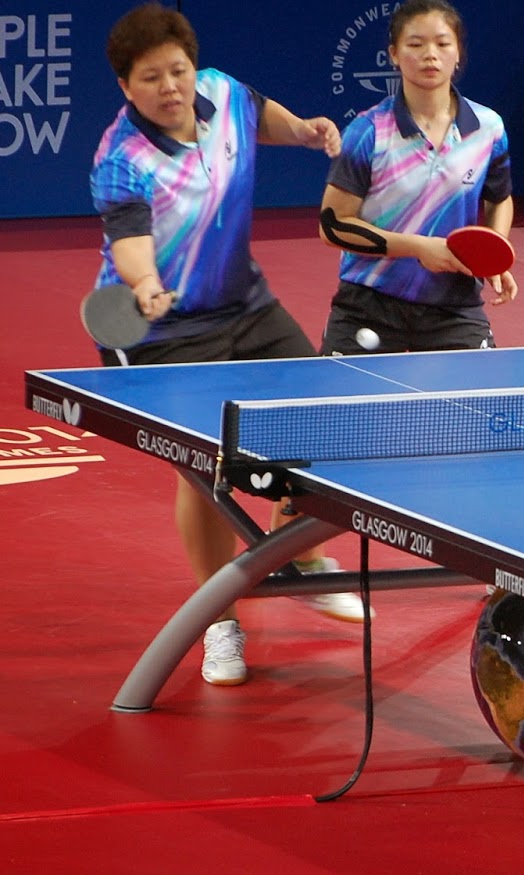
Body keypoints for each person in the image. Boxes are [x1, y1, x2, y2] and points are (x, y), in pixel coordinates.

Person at [90, 2, 366, 688]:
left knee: (323, 415)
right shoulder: (121, 157)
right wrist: (146, 283)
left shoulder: (221, 90)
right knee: (203, 466)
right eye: (151, 77)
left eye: (177, 70)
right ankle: (217, 619)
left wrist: (304, 130)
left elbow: (259, 113)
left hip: (245, 304)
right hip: (163, 329)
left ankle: (297, 552)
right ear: (126, 86)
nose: (170, 87)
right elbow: (129, 243)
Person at [316, 0, 516, 355]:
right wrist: (419, 248)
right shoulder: (368, 132)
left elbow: (499, 199)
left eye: (442, 43)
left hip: (453, 302)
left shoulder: (488, 129)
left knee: (481, 392)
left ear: (458, 53)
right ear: (393, 54)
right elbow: (333, 226)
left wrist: (493, 252)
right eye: (416, 44)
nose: (430, 55)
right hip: (370, 303)